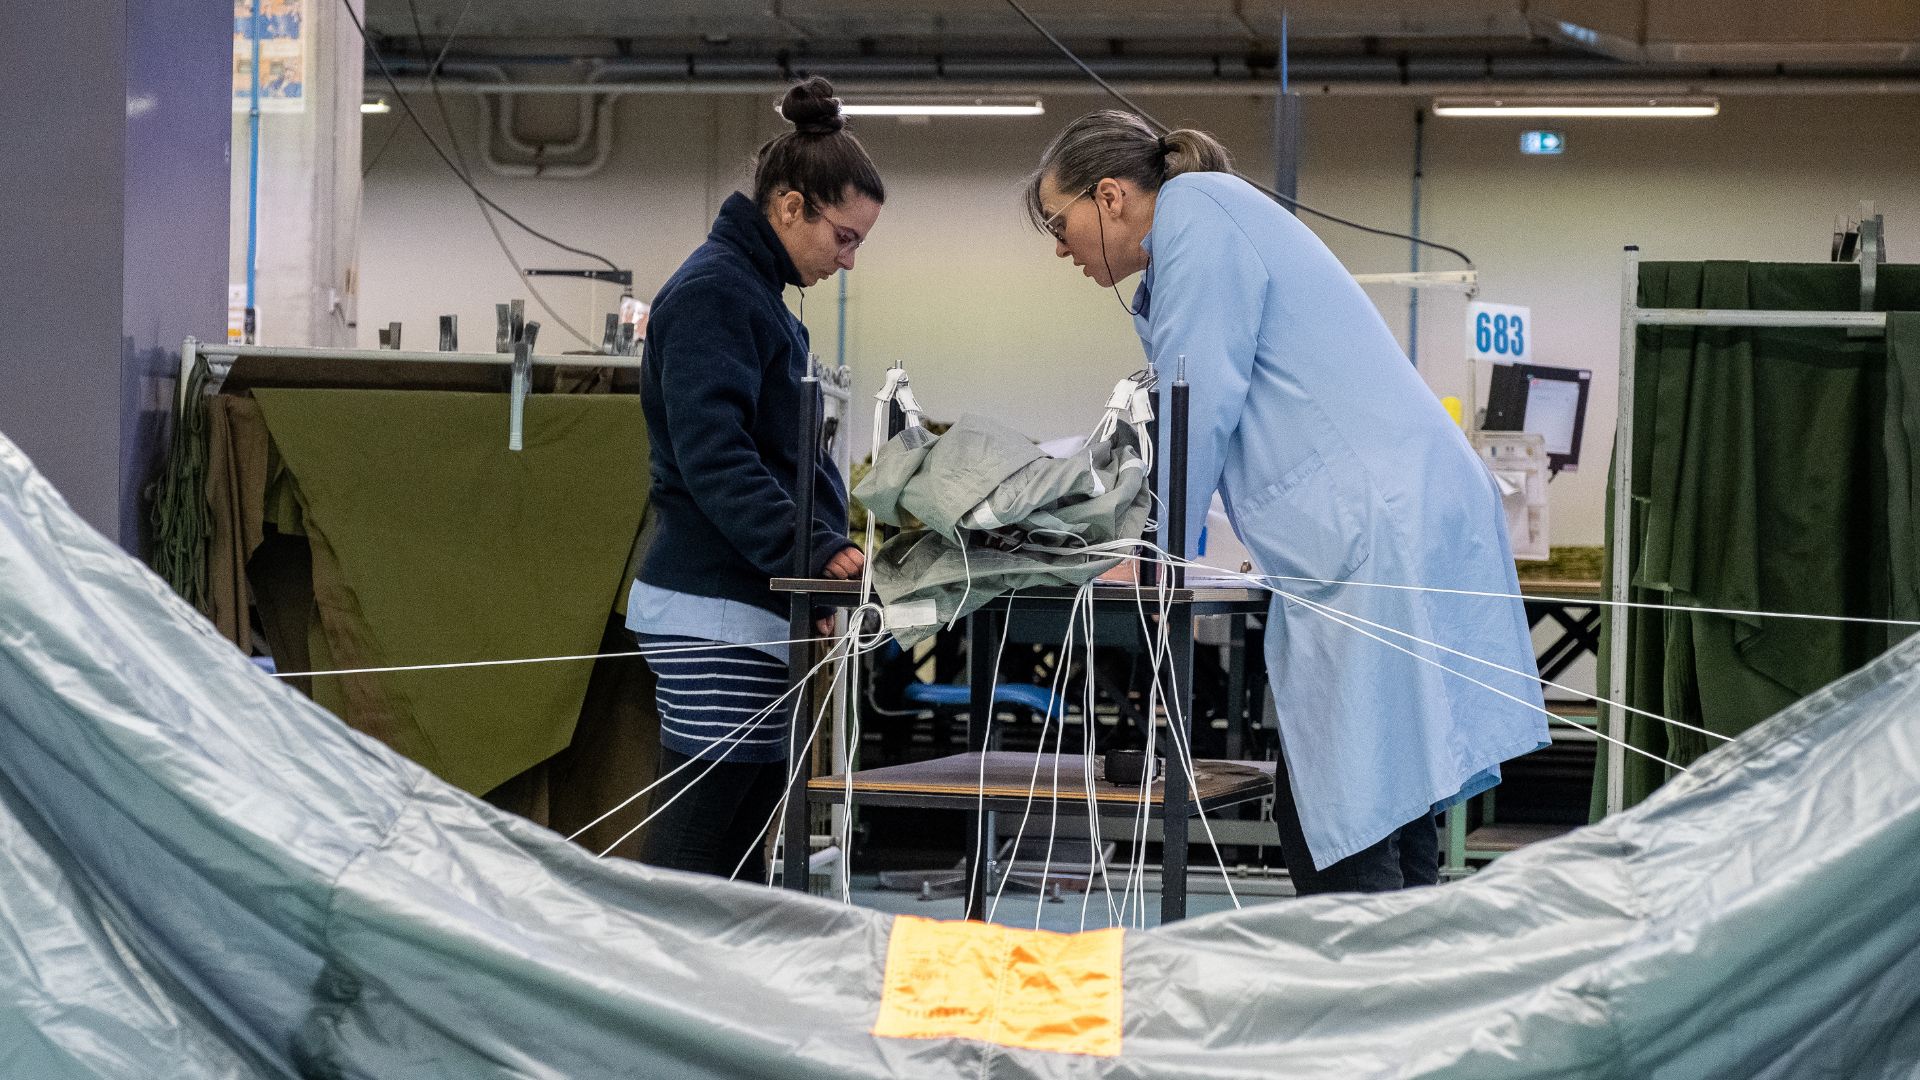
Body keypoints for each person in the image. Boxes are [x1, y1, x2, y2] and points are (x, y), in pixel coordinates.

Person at [1026, 110, 1548, 894]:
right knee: (1388, 795)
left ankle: (1357, 993)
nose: (1059, 248)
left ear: (1108, 197)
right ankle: (1408, 982)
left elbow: (1195, 403)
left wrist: (1156, 552)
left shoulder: (1196, 220)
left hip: (1373, 530)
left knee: (1343, 817)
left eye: (1056, 222)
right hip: (1396, 515)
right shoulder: (1212, 218)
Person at [628, 76, 880, 879]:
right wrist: (807, 552)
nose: (846, 261)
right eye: (843, 238)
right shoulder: (714, 293)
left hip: (747, 603)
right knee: (701, 851)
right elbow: (717, 457)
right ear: (788, 208)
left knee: (736, 855)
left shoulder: (752, 294)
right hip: (712, 609)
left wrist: (806, 571)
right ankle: (643, 996)